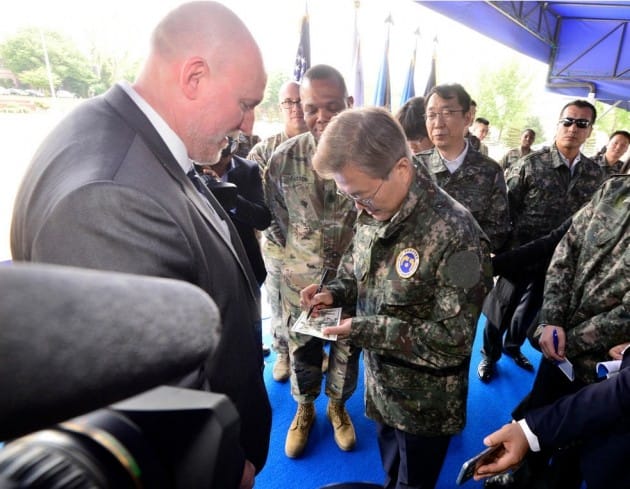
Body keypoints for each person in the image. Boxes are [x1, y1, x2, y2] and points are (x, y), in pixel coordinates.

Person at [9, 3, 270, 488]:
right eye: (245, 103)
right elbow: (143, 396)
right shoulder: (109, 196)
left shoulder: (125, 134)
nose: (250, 124)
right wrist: (225, 465)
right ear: (194, 77)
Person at [301, 107, 492, 489]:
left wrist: (364, 330)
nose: (357, 207)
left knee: (413, 482)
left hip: (425, 406)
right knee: (391, 474)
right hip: (382, 389)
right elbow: (361, 277)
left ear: (401, 169)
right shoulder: (375, 207)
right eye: (348, 195)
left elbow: (452, 342)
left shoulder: (459, 235)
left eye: (361, 195)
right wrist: (332, 293)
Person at [483, 174, 630, 489]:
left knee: (576, 456)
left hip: (607, 372)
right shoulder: (613, 188)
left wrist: (568, 341)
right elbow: (566, 250)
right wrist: (551, 319)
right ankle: (520, 475)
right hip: (559, 351)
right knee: (538, 417)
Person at [264, 64, 361, 459]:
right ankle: (304, 411)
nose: (320, 117)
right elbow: (275, 223)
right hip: (301, 289)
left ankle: (338, 407)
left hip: (354, 284)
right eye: (311, 108)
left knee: (347, 354)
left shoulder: (370, 159)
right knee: (303, 353)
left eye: (331, 106)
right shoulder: (283, 159)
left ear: (349, 104)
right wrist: (303, 262)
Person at [477, 99, 604, 384]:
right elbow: (506, 210)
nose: (573, 128)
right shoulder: (531, 165)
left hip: (558, 262)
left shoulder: (596, 175)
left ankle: (513, 348)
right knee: (501, 308)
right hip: (520, 253)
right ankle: (490, 354)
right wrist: (501, 252)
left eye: (581, 123)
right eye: (568, 121)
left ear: (589, 131)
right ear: (558, 125)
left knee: (531, 311)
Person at [475, 345, 630, 489]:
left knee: (573, 454)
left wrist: (529, 431)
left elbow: (622, 390)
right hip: (566, 365)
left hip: (600, 389)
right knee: (546, 411)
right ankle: (525, 476)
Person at [248, 80, 308, 381]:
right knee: (279, 302)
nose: (295, 108)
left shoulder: (324, 146)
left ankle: (312, 352)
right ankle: (283, 352)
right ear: (280, 107)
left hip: (317, 250)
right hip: (278, 245)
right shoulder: (264, 151)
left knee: (315, 304)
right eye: (288, 102)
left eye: (300, 101)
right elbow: (259, 205)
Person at [417, 83, 511, 254]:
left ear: (467, 118)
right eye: (431, 115)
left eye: (447, 113)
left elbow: (498, 231)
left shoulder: (490, 171)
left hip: (466, 271)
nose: (438, 123)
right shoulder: (414, 168)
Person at [195, 134, 271, 287]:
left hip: (246, 263)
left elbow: (262, 219)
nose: (214, 166)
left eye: (219, 162)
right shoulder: (190, 171)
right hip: (206, 265)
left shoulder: (248, 169)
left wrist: (229, 198)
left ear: (232, 151)